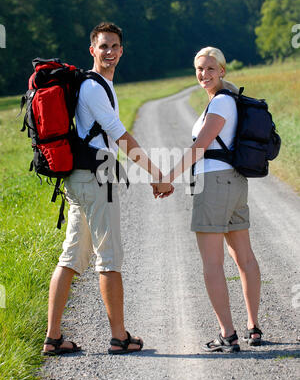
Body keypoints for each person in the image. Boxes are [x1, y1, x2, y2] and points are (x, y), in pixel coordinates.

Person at [42, 22, 174, 356]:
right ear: (92, 50)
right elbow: (119, 135)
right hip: (94, 180)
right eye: (103, 46)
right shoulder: (93, 88)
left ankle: (53, 338)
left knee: (71, 258)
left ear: (121, 50)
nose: (110, 52)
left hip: (83, 179)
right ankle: (119, 337)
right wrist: (156, 174)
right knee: (109, 257)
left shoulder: (100, 85)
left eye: (115, 46)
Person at [152, 47, 262, 353]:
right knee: (244, 258)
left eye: (210, 69)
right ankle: (253, 328)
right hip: (234, 183)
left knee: (213, 264)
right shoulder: (225, 100)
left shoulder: (221, 103)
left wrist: (168, 177)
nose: (204, 74)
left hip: (213, 184)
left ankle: (228, 335)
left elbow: (201, 146)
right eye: (199, 69)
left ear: (222, 71)